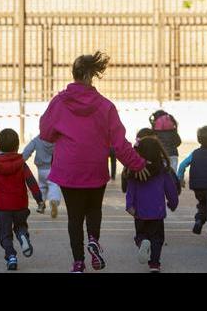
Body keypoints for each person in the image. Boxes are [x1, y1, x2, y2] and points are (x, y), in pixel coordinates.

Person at [39, 51, 149, 273]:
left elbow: (45, 133)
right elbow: (119, 144)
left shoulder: (59, 102)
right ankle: (93, 240)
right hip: (95, 168)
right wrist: (137, 164)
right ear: (91, 75)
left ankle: (78, 263)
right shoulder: (105, 105)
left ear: (75, 74)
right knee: (93, 209)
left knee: (74, 217)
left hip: (68, 169)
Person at [0, 129, 45, 271]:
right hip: (20, 205)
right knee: (20, 226)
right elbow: (31, 182)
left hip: (3, 207)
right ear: (17, 146)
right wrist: (39, 200)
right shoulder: (21, 163)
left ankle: (11, 256)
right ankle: (23, 235)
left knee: (5, 235)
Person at [125, 137, 179, 273]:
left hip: (139, 212)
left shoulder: (134, 172)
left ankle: (142, 242)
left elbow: (130, 190)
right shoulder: (163, 171)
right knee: (157, 239)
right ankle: (154, 264)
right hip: (157, 212)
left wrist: (129, 205)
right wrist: (173, 204)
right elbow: (171, 191)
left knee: (140, 234)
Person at [22, 135, 62, 218]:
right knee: (54, 186)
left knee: (42, 187)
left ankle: (41, 204)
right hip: (53, 168)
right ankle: (54, 201)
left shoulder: (37, 139)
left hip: (41, 170)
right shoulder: (57, 139)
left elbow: (27, 150)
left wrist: (21, 160)